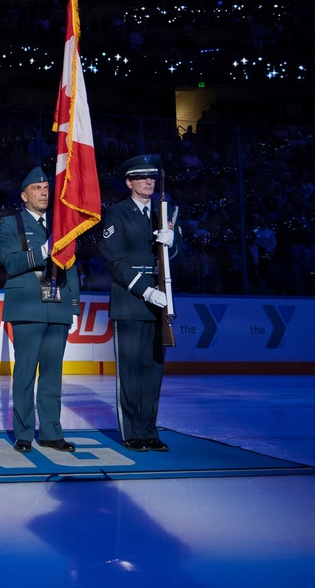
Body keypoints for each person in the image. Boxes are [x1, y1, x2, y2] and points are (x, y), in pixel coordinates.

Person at [0, 167, 81, 454]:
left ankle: (51, 432)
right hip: (27, 307)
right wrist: (43, 251)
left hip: (57, 308)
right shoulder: (11, 224)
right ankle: (23, 433)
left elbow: (72, 267)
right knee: (25, 374)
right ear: (24, 195)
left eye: (46, 187)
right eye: (36, 188)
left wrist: (74, 306)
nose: (44, 192)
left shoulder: (62, 225)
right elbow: (11, 263)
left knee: (52, 375)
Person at [100, 154, 182, 452]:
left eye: (152, 177)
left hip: (160, 302)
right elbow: (114, 260)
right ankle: (131, 432)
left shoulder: (166, 212)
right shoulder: (117, 213)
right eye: (142, 177)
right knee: (131, 371)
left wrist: (172, 243)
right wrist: (146, 290)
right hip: (132, 300)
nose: (149, 181)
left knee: (153, 372)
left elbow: (175, 258)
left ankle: (149, 430)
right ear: (129, 182)